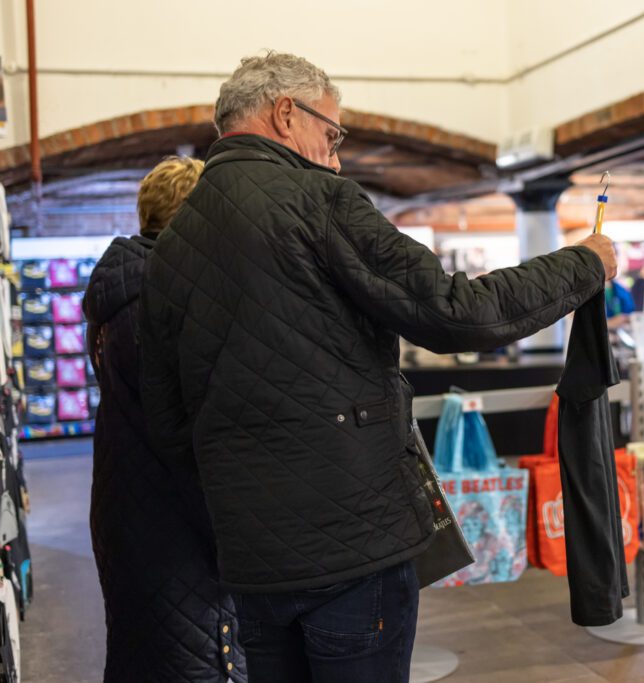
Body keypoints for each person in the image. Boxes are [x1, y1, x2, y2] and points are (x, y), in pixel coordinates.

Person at [139, 52, 616, 683]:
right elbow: (456, 311)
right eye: (331, 135)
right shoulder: (317, 200)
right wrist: (584, 265)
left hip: (252, 558)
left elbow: (168, 421)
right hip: (354, 545)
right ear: (286, 115)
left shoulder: (172, 246)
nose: (335, 155)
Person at [85, 157, 246, 682]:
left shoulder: (122, 291)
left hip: (129, 499)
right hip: (171, 515)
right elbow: (187, 427)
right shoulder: (162, 300)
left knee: (148, 649)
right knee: (191, 657)